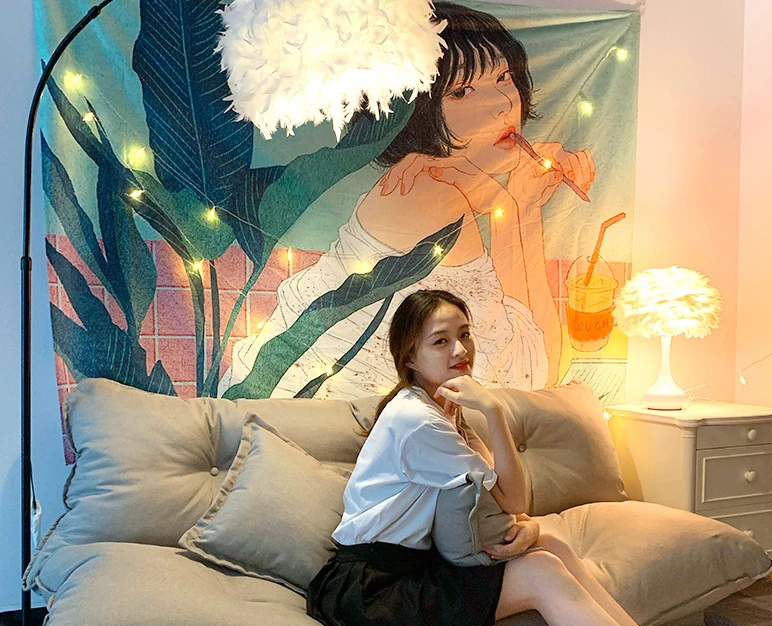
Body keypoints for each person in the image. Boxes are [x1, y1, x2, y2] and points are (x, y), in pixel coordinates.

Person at [306, 289, 772, 626]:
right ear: (410, 357)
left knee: (551, 546)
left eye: (465, 334)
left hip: (410, 570)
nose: (460, 350)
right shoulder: (418, 421)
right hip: (376, 593)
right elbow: (513, 498)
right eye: (440, 341)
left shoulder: (444, 408)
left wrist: (531, 525)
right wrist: (495, 412)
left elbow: (513, 506)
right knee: (542, 572)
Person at [220, 1, 596, 400]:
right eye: (462, 92)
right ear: (417, 112)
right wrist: (515, 206)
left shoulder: (440, 182)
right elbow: (531, 373)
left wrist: (523, 205)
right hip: (323, 419)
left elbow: (529, 362)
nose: (504, 105)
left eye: (504, 77)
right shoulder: (430, 192)